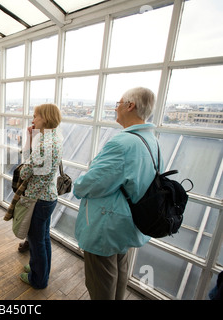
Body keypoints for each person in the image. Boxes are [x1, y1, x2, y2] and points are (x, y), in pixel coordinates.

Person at [73, 87, 160, 300]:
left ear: (130, 106)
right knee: (120, 274)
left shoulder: (122, 143)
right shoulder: (153, 142)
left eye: (118, 104)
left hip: (106, 226)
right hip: (129, 223)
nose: (115, 108)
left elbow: (93, 183)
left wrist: (78, 186)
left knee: (101, 281)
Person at [18, 103, 62, 289]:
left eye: (35, 116)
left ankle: (38, 279)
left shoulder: (44, 144)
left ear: (44, 118)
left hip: (39, 200)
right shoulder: (55, 137)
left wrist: (28, 141)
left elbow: (24, 172)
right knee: (43, 238)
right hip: (49, 197)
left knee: (36, 242)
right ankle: (40, 268)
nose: (33, 119)